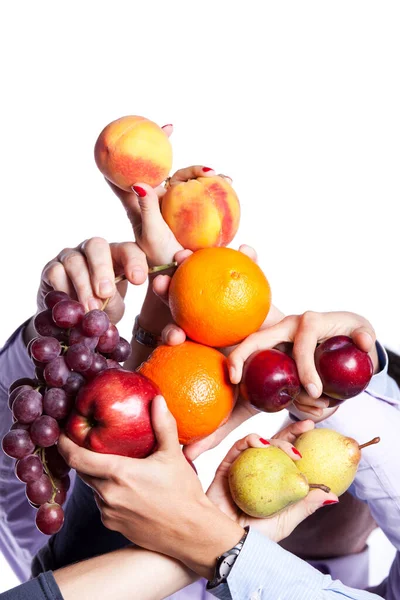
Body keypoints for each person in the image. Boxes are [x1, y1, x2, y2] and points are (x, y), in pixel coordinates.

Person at [0, 160, 394, 598]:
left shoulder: (82, 550)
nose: (295, 447)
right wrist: (62, 329)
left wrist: (61, 336)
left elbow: (29, 495)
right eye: (299, 417)